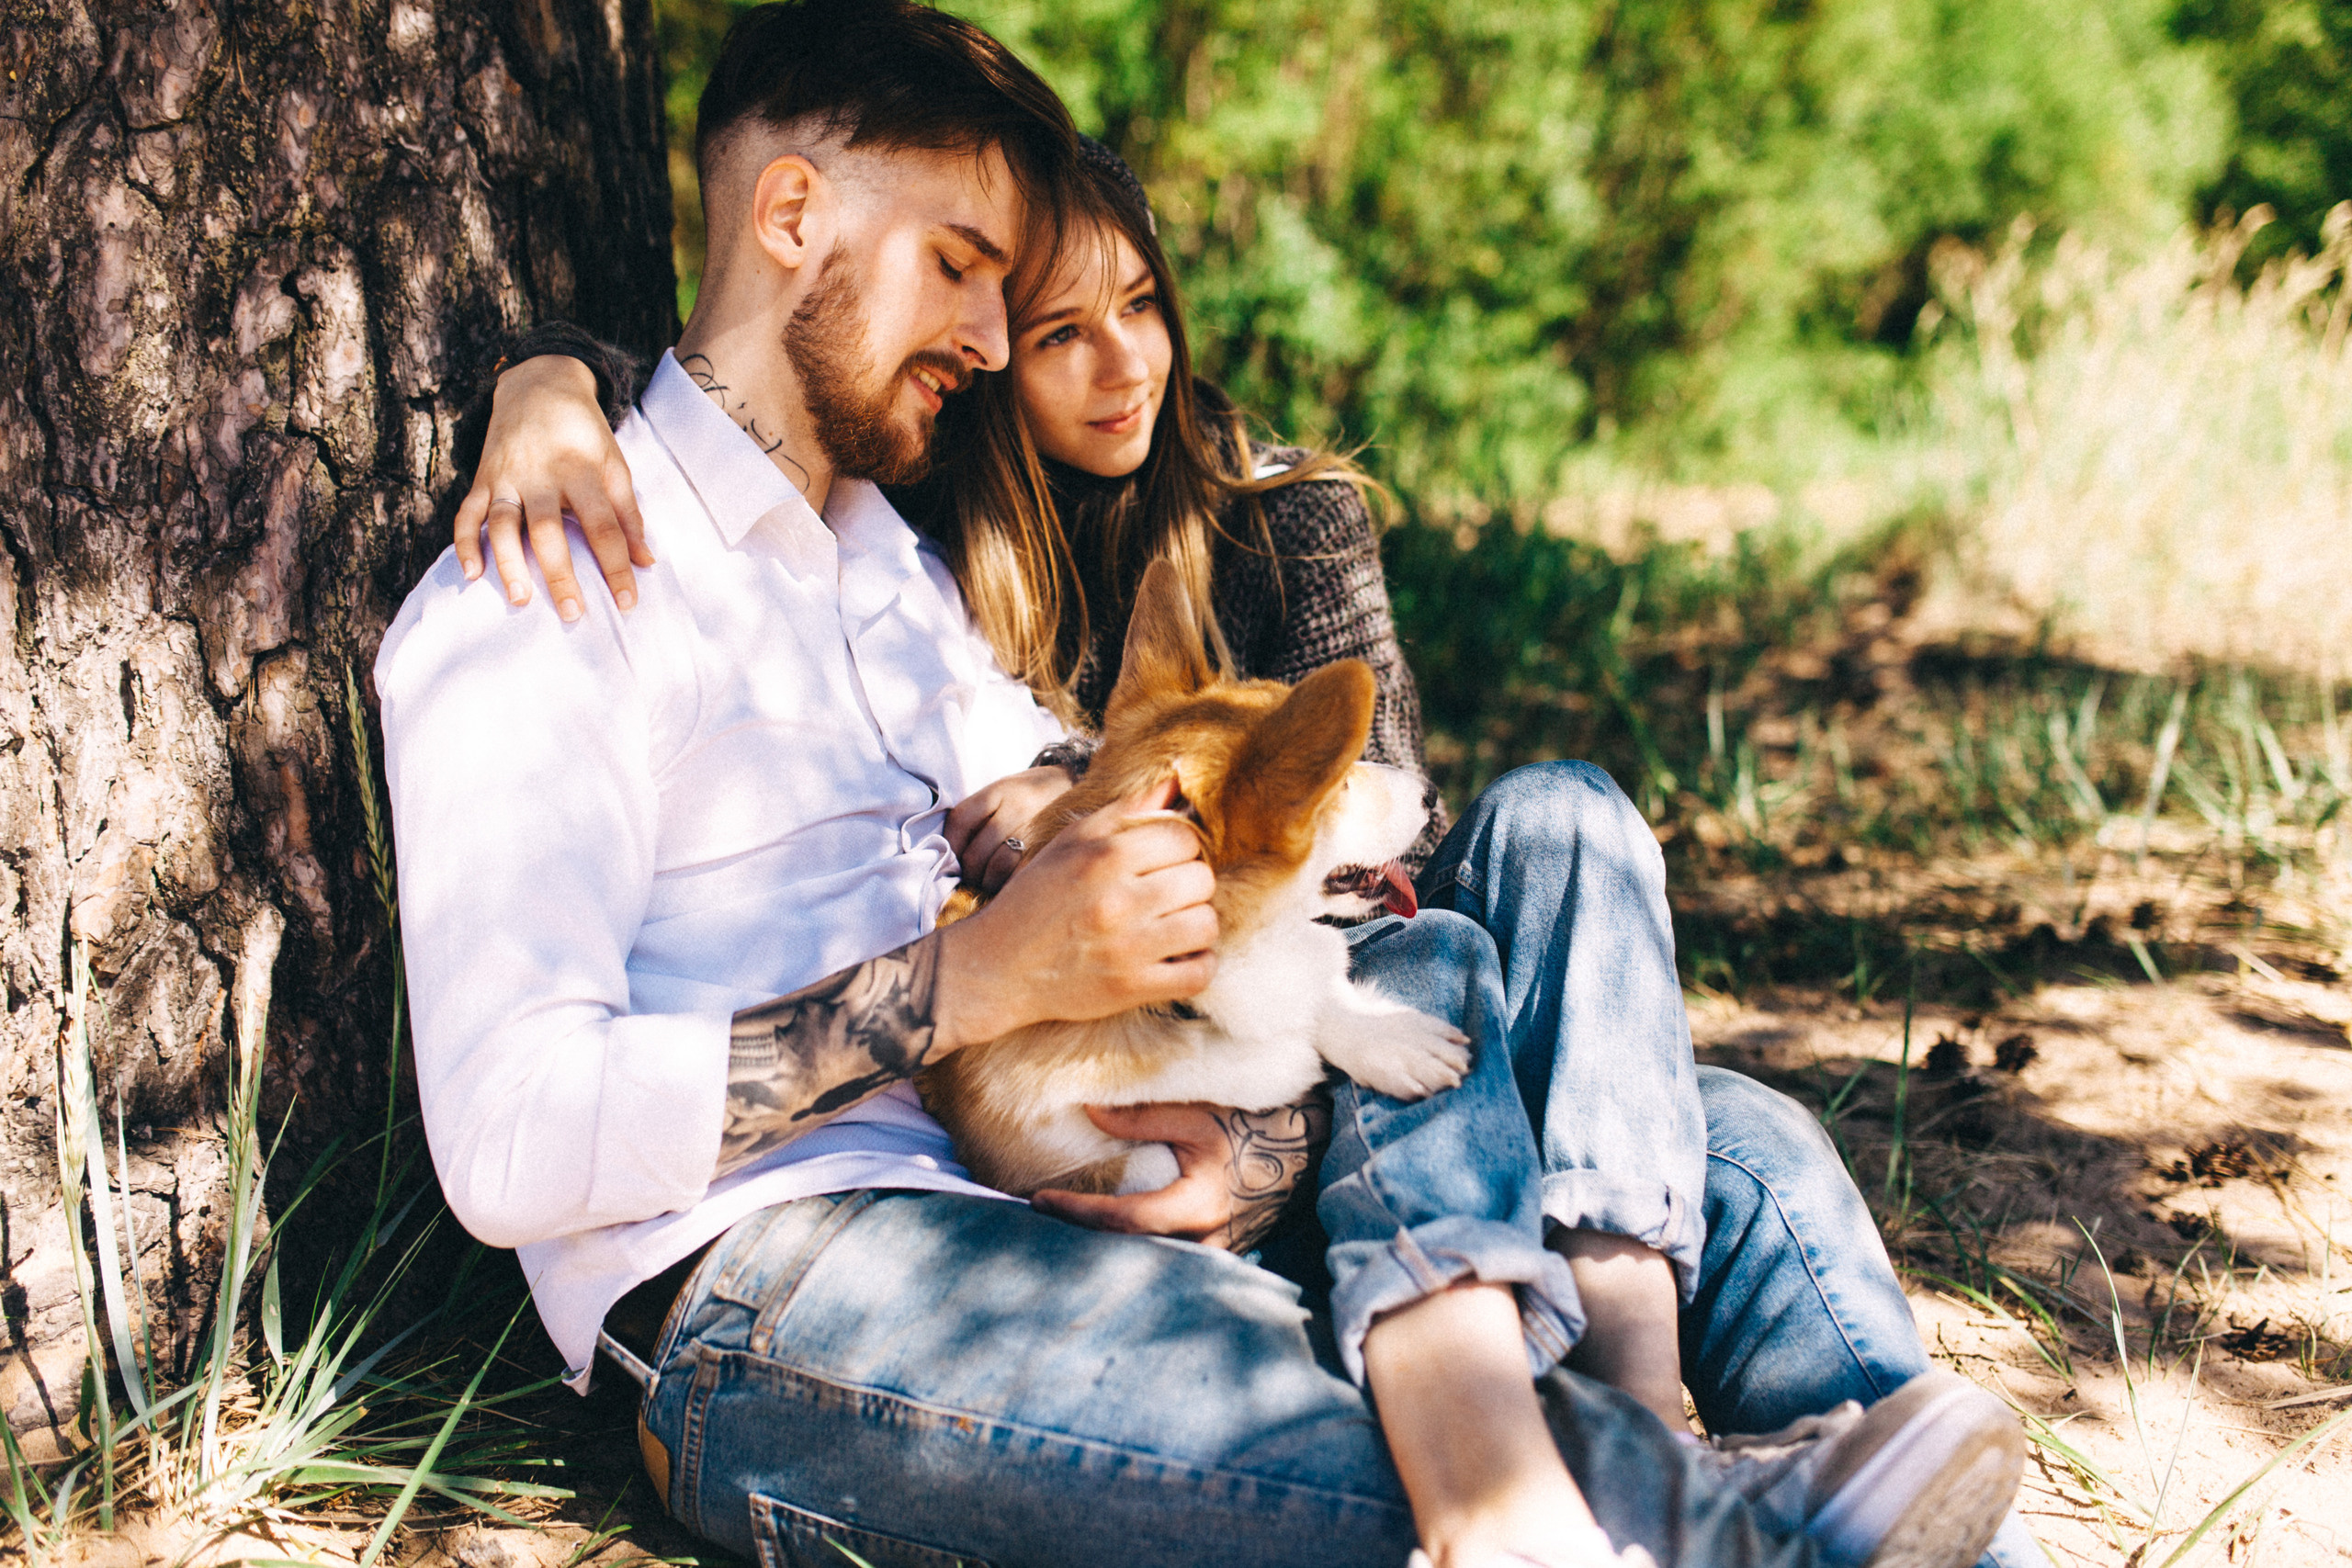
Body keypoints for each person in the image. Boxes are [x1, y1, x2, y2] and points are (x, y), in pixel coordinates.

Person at [382, 2, 2029, 1564]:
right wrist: (972, 978)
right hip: (789, 1282)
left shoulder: (882, 574)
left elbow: (1059, 806)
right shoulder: (552, 585)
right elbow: (510, 1142)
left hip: (1042, 1162)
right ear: (791, 214)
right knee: (1336, 1406)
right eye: (960, 268)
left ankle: (1885, 1455)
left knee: (1704, 1145)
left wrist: (1226, 1059)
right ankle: (1686, 1521)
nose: (980, 335)